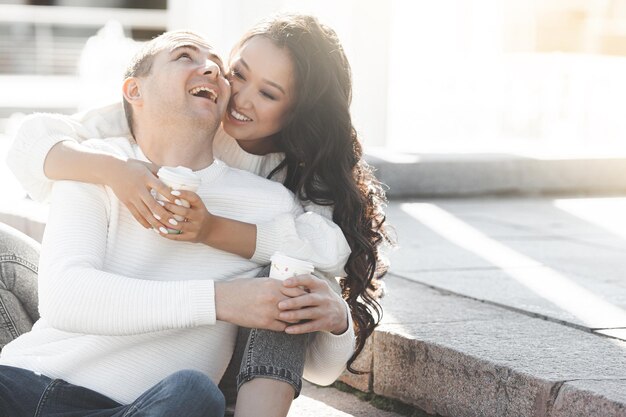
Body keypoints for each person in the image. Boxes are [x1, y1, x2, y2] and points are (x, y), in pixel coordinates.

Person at [6, 13, 392, 416]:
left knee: (276, 290)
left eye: (269, 94)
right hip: (36, 375)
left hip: (164, 389)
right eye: (237, 74)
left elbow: (326, 251)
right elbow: (32, 144)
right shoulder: (115, 150)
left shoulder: (284, 190)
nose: (239, 97)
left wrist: (213, 230)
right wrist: (115, 173)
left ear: (296, 115)